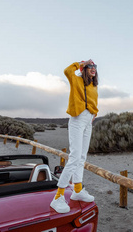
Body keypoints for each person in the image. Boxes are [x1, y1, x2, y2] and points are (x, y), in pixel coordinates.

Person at [50, 59, 99, 213]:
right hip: (77, 118)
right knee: (75, 156)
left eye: (95, 67)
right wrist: (80, 63)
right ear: (84, 69)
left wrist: (94, 112)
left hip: (88, 119)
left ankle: (77, 190)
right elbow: (67, 70)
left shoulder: (93, 85)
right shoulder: (76, 78)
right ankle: (58, 197)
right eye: (90, 66)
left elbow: (93, 101)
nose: (93, 68)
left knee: (82, 157)